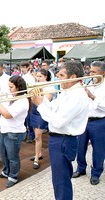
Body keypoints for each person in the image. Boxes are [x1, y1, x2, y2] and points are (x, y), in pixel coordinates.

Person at [31, 61, 89, 200]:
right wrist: (41, 100)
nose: (58, 78)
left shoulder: (76, 96)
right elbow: (52, 108)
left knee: (61, 182)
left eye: (62, 75)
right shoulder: (67, 92)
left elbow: (58, 121)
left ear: (73, 76)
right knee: (58, 180)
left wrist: (40, 105)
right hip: (59, 139)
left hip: (63, 140)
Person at [72, 61, 105, 185]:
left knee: (98, 149)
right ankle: (81, 169)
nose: (90, 74)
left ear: (103, 73)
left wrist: (92, 96)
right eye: (90, 71)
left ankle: (96, 173)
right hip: (84, 119)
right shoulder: (89, 83)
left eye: (94, 72)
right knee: (80, 146)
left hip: (99, 122)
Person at [0, 76, 29, 188]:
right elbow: (3, 108)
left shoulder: (23, 100)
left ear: (19, 88)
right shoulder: (11, 96)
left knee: (12, 157)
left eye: (11, 87)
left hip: (14, 133)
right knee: (2, 153)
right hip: (4, 130)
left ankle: (13, 176)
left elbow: (7, 115)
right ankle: (6, 171)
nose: (9, 89)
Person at [30, 69, 53, 169]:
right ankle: (38, 153)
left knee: (38, 136)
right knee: (36, 134)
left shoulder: (50, 86)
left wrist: (41, 92)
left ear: (46, 77)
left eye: (40, 76)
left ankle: (36, 159)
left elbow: (48, 99)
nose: (38, 78)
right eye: (37, 76)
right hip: (34, 110)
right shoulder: (36, 84)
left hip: (42, 111)